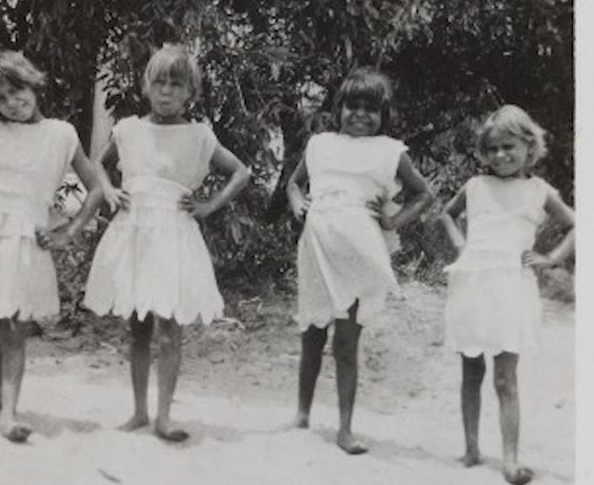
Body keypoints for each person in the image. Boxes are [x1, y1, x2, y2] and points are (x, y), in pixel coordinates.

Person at [0, 50, 112, 443]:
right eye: (1, 98)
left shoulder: (61, 134)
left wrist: (70, 229)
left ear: (33, 83)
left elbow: (97, 187)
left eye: (17, 91)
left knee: (14, 325)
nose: (12, 103)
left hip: (25, 236)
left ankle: (11, 415)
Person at [83, 44, 250, 442]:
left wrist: (210, 206)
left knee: (170, 326)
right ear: (147, 86)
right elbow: (96, 164)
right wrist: (107, 190)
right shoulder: (128, 130)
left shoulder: (198, 135)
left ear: (190, 92)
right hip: (135, 231)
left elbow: (241, 172)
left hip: (174, 235)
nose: (167, 92)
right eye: (160, 82)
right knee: (137, 326)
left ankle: (164, 416)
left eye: (177, 84)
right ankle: (140, 411)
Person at [286, 67, 434, 454]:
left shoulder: (390, 151)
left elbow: (423, 194)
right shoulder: (320, 144)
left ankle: (345, 429)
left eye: (371, 108)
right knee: (312, 334)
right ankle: (302, 413)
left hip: (357, 251)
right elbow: (293, 182)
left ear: (383, 114)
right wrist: (297, 201)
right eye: (353, 105)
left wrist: (392, 219)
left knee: (346, 341)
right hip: (317, 247)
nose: (361, 115)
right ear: (339, 108)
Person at [440, 105, 574, 485]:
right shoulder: (476, 186)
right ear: (485, 151)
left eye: (509, 147)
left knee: (505, 378)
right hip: (472, 285)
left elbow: (577, 224)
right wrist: (462, 246)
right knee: (471, 370)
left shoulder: (538, 191)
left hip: (512, 288)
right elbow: (447, 215)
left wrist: (551, 259)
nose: (501, 155)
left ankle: (511, 461)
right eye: (493, 148)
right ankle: (470, 449)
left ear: (528, 147)